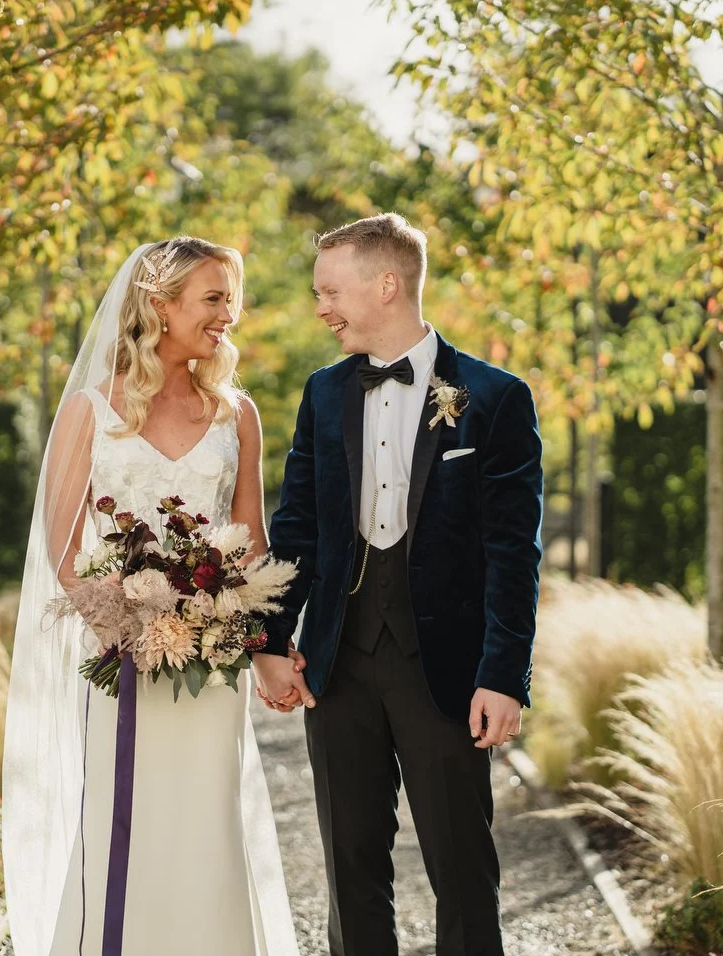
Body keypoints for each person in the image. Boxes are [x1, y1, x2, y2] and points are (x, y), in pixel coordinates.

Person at [253, 213, 544, 956]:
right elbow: (296, 529)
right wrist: (270, 642)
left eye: (330, 291)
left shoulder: (496, 396)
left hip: (445, 669)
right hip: (338, 663)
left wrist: (504, 676)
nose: (319, 307)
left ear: (387, 284)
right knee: (350, 867)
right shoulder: (321, 394)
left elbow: (514, 552)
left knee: (463, 868)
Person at [2, 237, 300, 956]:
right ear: (158, 306)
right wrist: (123, 624)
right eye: (213, 298)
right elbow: (64, 548)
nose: (229, 313)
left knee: (209, 822)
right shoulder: (90, 412)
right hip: (124, 665)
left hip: (213, 667)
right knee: (125, 821)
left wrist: (256, 649)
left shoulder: (238, 415)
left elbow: (251, 543)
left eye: (232, 297)